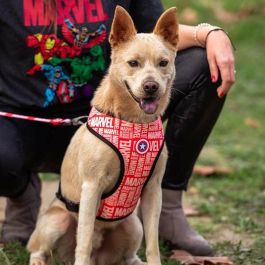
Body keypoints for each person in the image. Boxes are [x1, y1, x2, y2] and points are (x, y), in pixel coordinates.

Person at [0, 0, 235, 256]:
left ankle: (167, 205)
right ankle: (20, 193)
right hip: (22, 122)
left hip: (108, 118)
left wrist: (210, 33)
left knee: (205, 62)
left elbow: (156, 34)